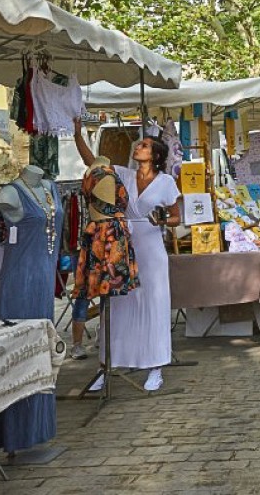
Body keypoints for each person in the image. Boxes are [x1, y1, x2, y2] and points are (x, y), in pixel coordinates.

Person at [74, 118, 181, 391]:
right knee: (119, 304)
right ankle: (108, 364)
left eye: (144, 145)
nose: (138, 147)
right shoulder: (123, 174)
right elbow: (93, 162)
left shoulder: (166, 181)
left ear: (155, 155)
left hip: (151, 247)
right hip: (122, 245)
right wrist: (77, 134)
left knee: (154, 304)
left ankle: (155, 365)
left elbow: (177, 218)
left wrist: (161, 221)